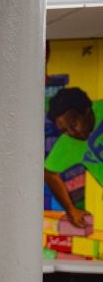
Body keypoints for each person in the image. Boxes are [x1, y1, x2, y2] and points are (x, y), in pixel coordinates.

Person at [44, 86, 103, 228]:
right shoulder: (67, 143)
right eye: (64, 130)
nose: (72, 133)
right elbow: (49, 173)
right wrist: (71, 209)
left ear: (86, 112)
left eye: (73, 124)